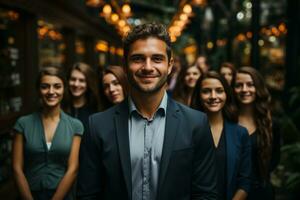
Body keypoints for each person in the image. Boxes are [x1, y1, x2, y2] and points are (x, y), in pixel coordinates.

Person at [77, 22, 217, 200]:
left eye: (157, 59)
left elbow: (205, 194)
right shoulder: (97, 125)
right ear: (125, 65)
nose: (148, 67)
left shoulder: (196, 123)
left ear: (170, 65)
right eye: (138, 59)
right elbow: (88, 195)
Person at [12, 66, 84, 200]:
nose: (51, 91)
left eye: (57, 86)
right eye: (45, 86)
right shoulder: (23, 124)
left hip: (63, 195)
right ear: (38, 90)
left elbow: (73, 168)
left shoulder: (75, 125)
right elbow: (16, 168)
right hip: (28, 194)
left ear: (64, 89)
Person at [191, 71, 251, 200]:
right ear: (198, 96)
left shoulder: (240, 133)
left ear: (226, 94)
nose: (213, 96)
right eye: (206, 91)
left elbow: (245, 182)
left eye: (219, 90)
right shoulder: (187, 131)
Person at [233, 66, 281, 200]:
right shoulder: (227, 121)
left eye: (250, 85)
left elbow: (274, 159)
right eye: (239, 85)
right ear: (233, 89)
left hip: (261, 192)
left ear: (258, 88)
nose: (244, 89)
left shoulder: (271, 123)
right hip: (231, 192)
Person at [66, 62, 101, 131]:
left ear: (88, 83)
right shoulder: (61, 107)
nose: (76, 84)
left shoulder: (96, 109)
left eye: (81, 81)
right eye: (73, 79)